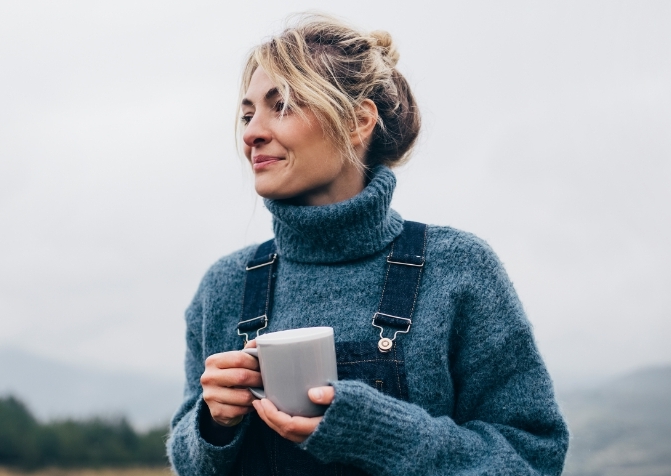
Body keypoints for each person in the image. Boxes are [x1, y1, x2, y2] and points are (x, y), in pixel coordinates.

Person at [166, 13, 570, 476]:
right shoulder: (224, 286)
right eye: (247, 113)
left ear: (358, 123)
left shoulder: (459, 269)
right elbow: (188, 463)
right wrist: (214, 425)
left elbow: (532, 458)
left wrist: (375, 432)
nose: (252, 132)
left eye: (282, 105)